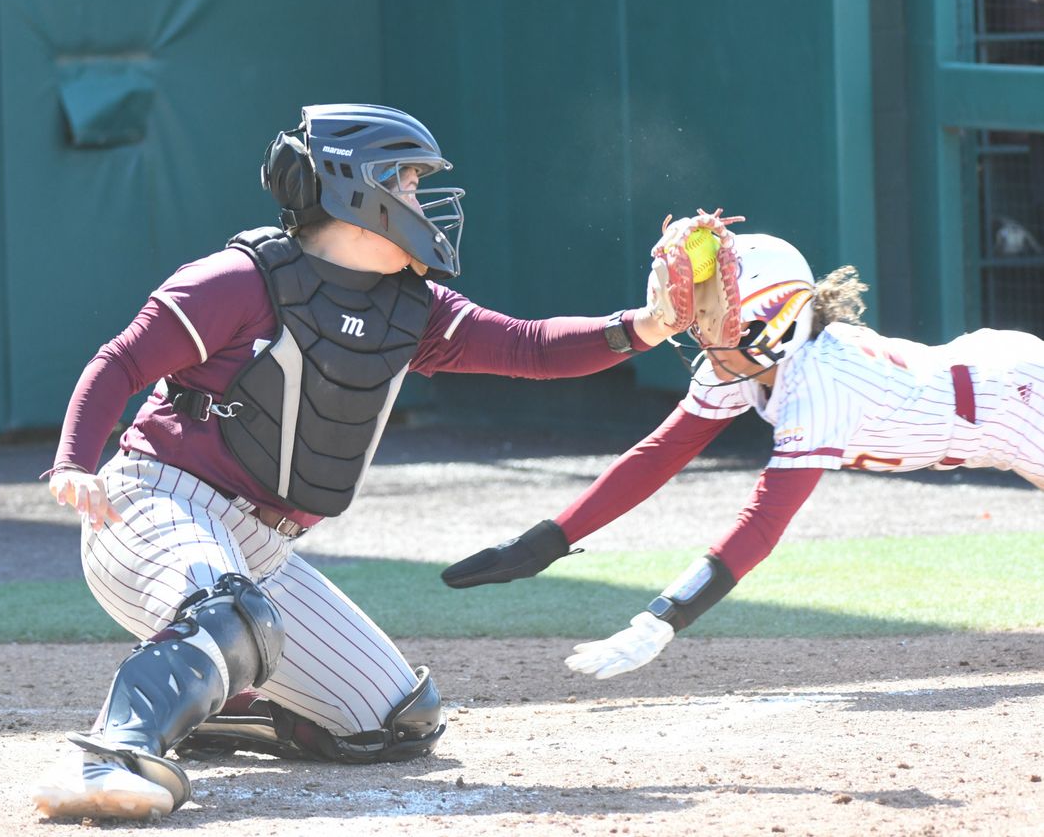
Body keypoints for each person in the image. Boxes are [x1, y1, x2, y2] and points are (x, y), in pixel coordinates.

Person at [31, 103, 715, 821]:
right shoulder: (238, 279)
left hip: (264, 549)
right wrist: (74, 462)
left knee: (392, 720)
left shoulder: (409, 308)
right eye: (411, 183)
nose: (423, 201)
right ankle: (111, 756)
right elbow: (120, 361)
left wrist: (650, 325)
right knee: (230, 612)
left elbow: (530, 346)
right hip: (152, 506)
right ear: (356, 189)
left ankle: (229, 704)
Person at [441, 227, 1044, 680]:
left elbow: (763, 520)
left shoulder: (824, 380)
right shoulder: (746, 358)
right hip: (984, 384)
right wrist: (544, 542)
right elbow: (660, 454)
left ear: (769, 319)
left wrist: (662, 620)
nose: (697, 321)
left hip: (1014, 402)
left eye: (711, 311)